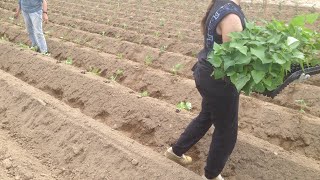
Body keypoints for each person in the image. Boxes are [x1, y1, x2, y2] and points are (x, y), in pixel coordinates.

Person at [164, 0, 246, 180]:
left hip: (207, 73)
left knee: (207, 116)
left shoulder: (221, 5)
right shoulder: (231, 16)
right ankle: (211, 175)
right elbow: (233, 59)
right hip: (220, 82)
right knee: (226, 131)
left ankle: (175, 151)